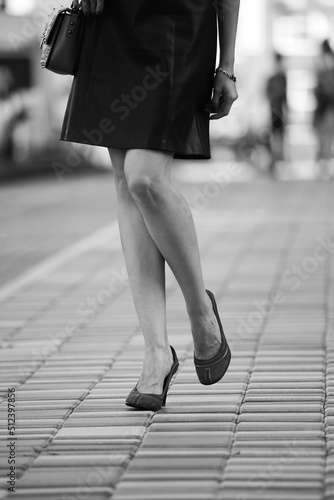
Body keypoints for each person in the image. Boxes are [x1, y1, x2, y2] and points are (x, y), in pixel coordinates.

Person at [61, 0, 240, 411]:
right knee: (127, 182)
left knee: (144, 178)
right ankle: (156, 353)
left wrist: (226, 64)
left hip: (179, 25)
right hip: (111, 26)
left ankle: (200, 311)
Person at [313, 39, 334, 179]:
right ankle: (325, 166)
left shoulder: (323, 62)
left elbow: (321, 87)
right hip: (327, 105)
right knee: (327, 136)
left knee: (324, 136)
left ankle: (325, 166)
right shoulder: (328, 60)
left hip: (326, 106)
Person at [265, 52, 288, 175]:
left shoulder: (278, 78)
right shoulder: (279, 78)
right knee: (277, 137)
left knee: (277, 137)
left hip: (276, 111)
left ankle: (276, 162)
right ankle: (275, 161)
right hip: (276, 112)